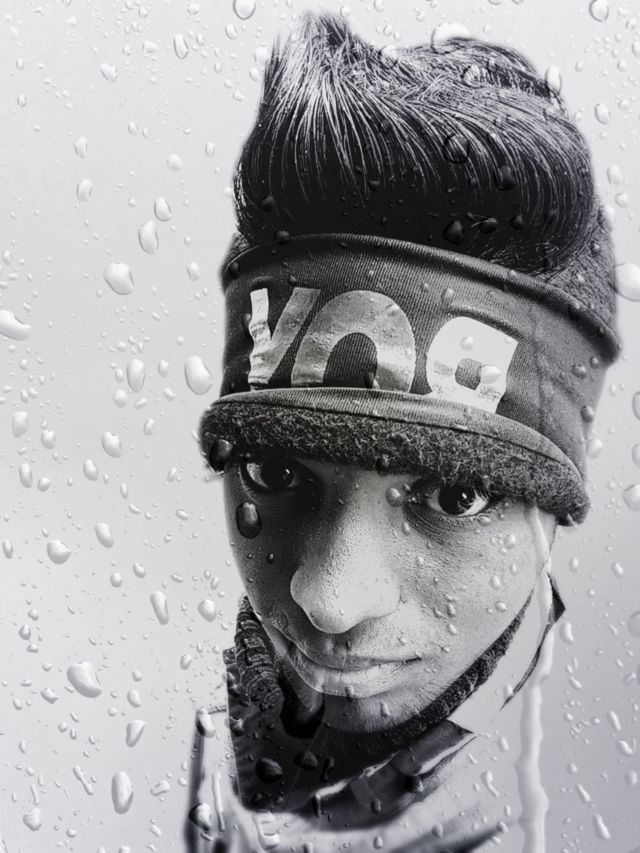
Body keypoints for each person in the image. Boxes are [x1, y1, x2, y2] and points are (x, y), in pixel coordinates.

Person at [184, 12, 619, 852]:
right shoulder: (236, 724)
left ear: (549, 515)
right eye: (274, 473)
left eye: (453, 493)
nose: (326, 596)